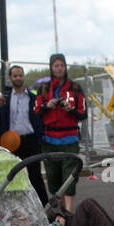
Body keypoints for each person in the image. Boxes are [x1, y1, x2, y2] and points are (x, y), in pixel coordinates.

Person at [35, 54, 85, 214]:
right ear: (51, 67)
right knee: (54, 179)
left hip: (69, 138)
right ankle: (61, 211)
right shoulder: (43, 89)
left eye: (62, 65)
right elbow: (36, 112)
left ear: (65, 67)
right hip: (49, 139)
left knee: (69, 177)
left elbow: (83, 114)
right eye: (56, 65)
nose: (59, 68)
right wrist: (47, 106)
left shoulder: (75, 88)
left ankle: (68, 213)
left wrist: (71, 110)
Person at [0, 64, 47, 203]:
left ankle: (45, 207)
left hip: (30, 140)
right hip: (11, 142)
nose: (18, 78)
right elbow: (1, 122)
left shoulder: (32, 98)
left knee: (35, 176)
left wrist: (39, 138)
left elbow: (39, 118)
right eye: (15, 75)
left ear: (23, 77)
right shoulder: (6, 99)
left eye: (20, 75)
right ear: (10, 78)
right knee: (12, 177)